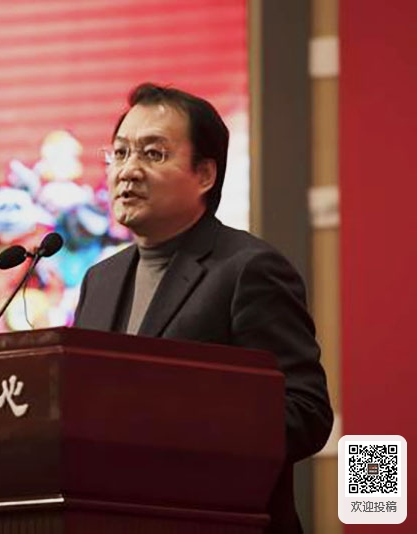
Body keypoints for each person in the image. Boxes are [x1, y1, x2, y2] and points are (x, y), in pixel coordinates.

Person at [73, 82, 333, 533]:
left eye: (153, 154)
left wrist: (179, 426)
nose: (128, 170)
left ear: (205, 175)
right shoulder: (101, 280)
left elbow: (305, 411)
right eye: (120, 153)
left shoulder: (247, 269)